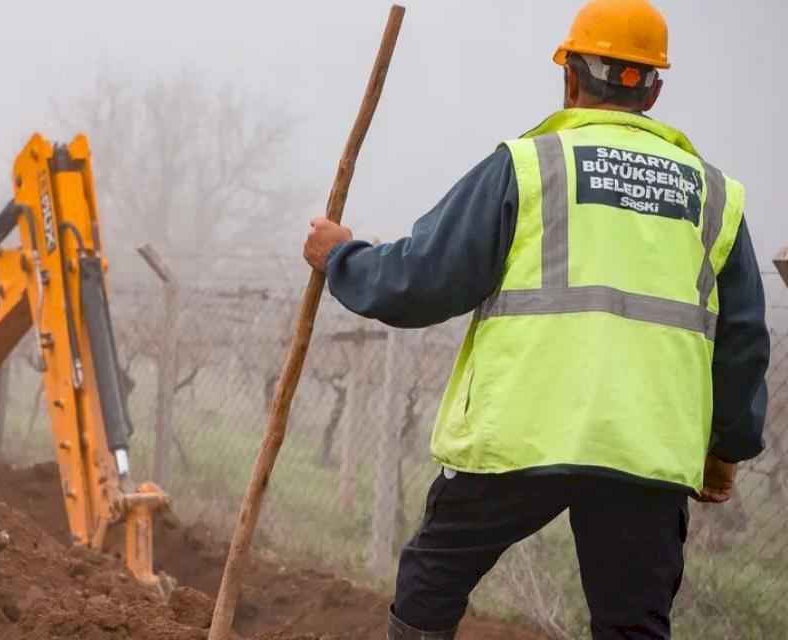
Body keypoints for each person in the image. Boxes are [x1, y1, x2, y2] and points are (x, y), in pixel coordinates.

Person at [301, 1, 768, 638]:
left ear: (570, 77)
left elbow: (421, 282)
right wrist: (728, 447)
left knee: (432, 582)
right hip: (646, 446)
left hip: (522, 431)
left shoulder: (529, 167)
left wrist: (341, 258)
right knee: (632, 623)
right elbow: (742, 341)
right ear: (654, 91)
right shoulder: (715, 196)